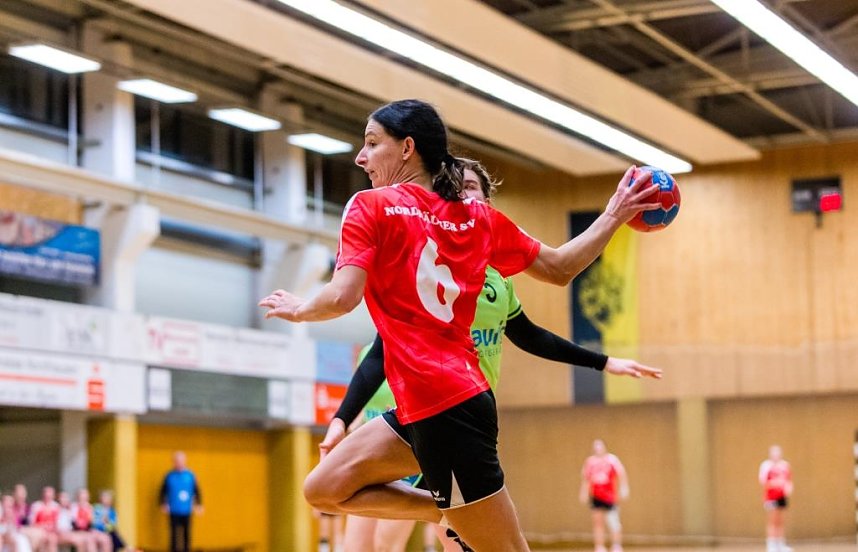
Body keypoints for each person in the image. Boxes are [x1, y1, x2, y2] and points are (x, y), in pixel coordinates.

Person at [260, 98, 661, 551]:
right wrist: (612, 214)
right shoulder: (478, 218)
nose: (361, 156)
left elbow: (341, 296)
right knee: (324, 488)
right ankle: (445, 508)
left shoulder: (369, 207)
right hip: (427, 404)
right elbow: (561, 267)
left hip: (446, 406)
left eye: (372, 143)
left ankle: (455, 510)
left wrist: (300, 307)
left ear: (407, 147)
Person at [579, 439, 628, 552]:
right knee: (597, 522)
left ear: (604, 447)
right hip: (596, 496)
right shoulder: (590, 462)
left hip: (610, 497)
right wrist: (583, 492)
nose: (598, 449)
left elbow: (621, 473)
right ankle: (599, 546)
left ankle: (616, 545)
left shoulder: (612, 460)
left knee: (613, 521)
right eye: (595, 447)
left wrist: (624, 487)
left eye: (600, 447)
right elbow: (586, 479)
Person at [159, 451, 202, 552]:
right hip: (174, 509)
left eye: (181, 461)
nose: (178, 463)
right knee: (173, 533)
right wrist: (163, 503)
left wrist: (199, 504)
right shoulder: (169, 476)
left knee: (187, 533)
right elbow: (162, 491)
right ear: (173, 462)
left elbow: (197, 490)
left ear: (185, 461)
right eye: (176, 461)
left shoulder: (190, 475)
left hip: (186, 509)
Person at [759, 445, 793, 552]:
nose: (776, 455)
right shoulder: (766, 465)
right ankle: (771, 545)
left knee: (781, 521)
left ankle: (780, 544)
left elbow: (788, 480)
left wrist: (788, 487)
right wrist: (775, 483)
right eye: (774, 453)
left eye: (778, 453)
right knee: (772, 520)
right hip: (771, 497)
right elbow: (763, 481)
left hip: (782, 496)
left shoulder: (785, 465)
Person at [12, 485, 51, 552]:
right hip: (17, 531)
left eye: (23, 493)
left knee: (43, 536)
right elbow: (14, 525)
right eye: (19, 493)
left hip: (29, 530)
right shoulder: (11, 507)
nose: (21, 496)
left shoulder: (28, 508)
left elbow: (32, 523)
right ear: (14, 494)